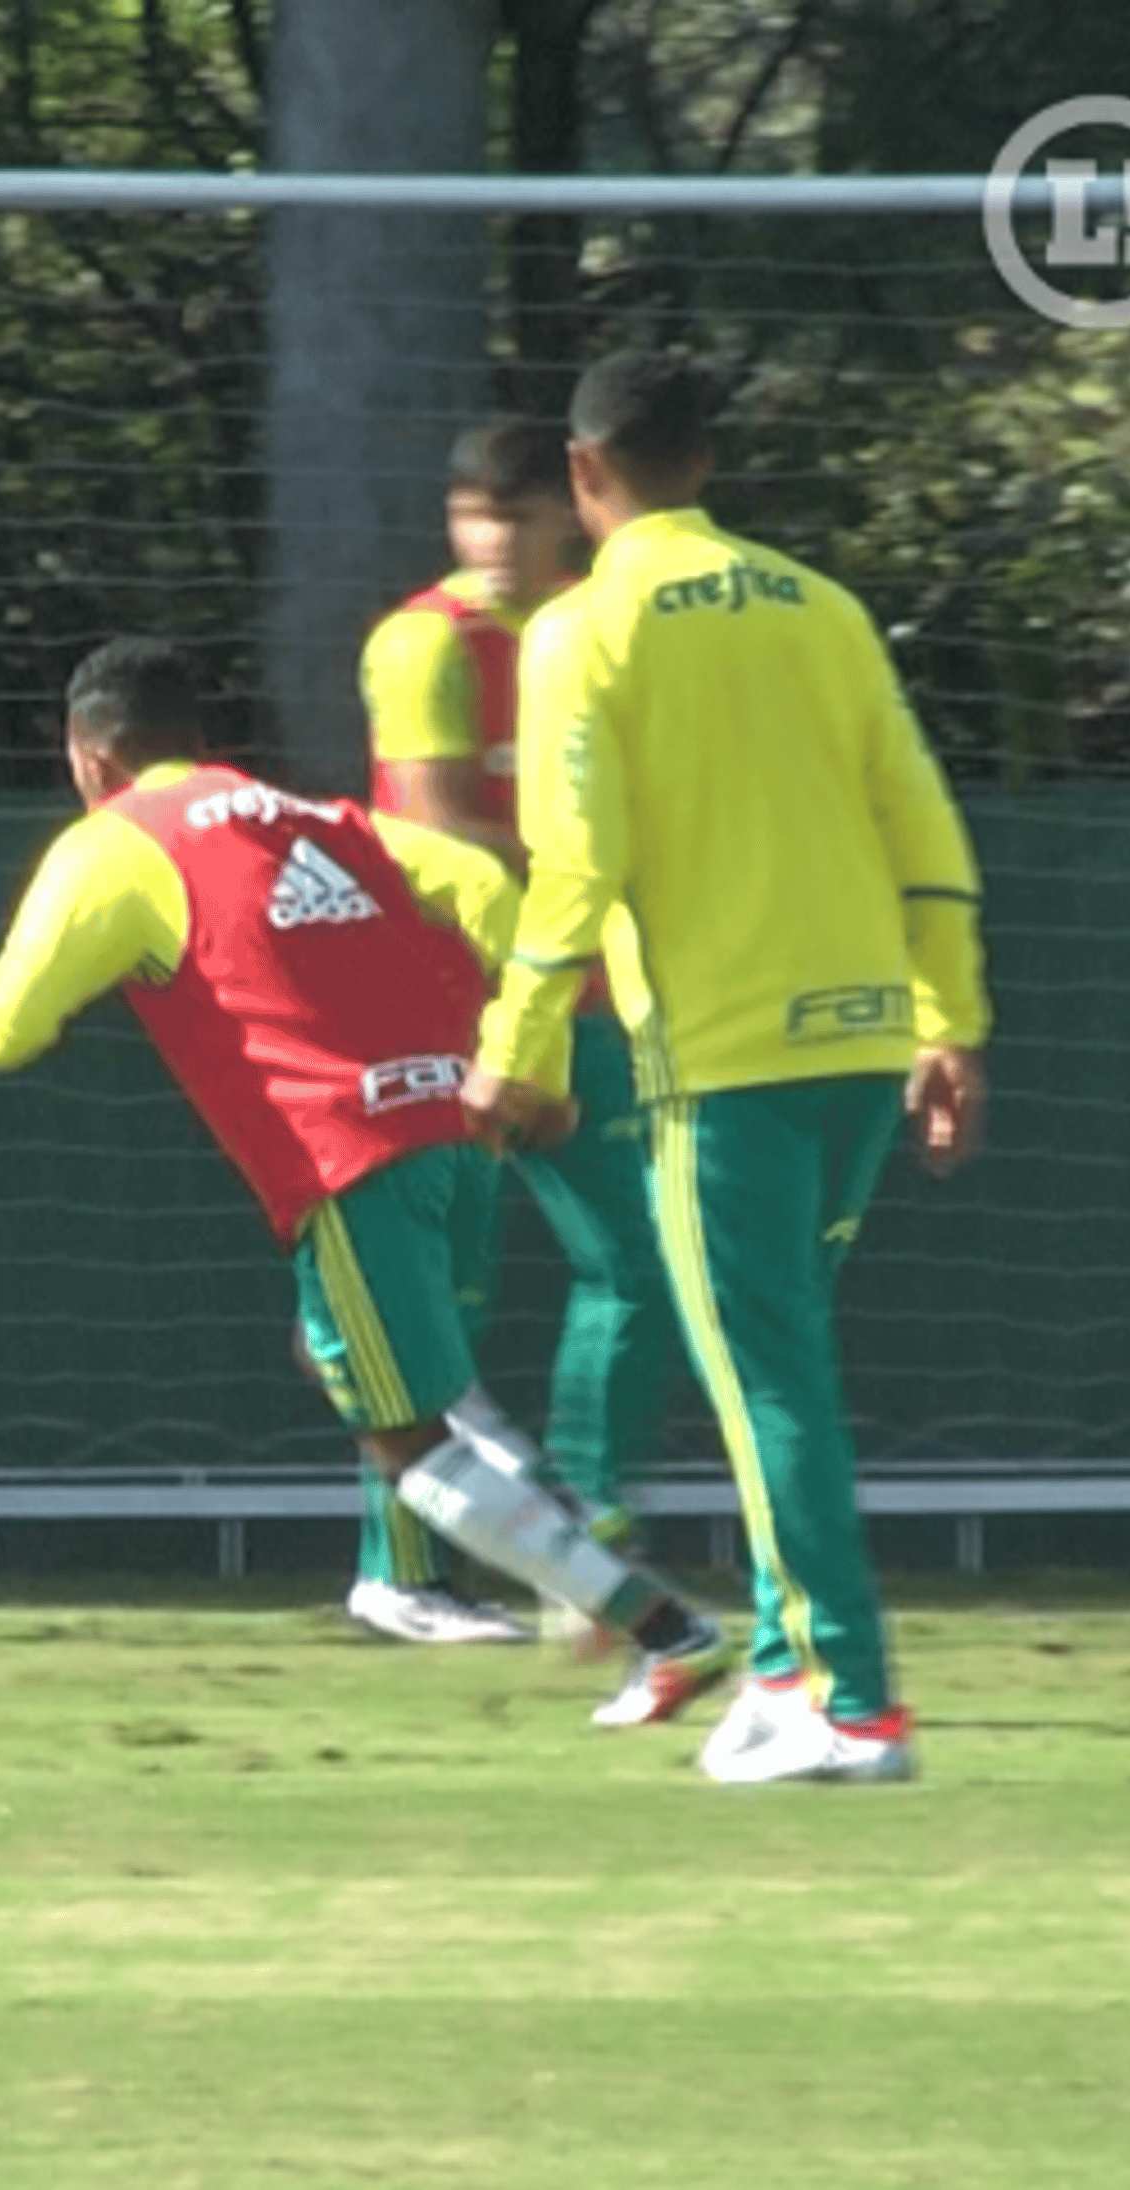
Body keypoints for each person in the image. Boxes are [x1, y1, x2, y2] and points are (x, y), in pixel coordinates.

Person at [0, 635, 736, 1730]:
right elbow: (483, 881)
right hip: (456, 1132)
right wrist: (533, 1065)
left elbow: (0, 1034)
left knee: (402, 1437)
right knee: (352, 1361)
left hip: (349, 1161)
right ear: (199, 739)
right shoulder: (312, 816)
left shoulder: (115, 846)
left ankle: (658, 1627)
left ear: (88, 755)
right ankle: (551, 1536)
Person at [464, 351, 992, 1787]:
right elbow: (922, 825)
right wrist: (951, 1019)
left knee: (772, 1384)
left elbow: (576, 864)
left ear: (585, 477)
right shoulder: (824, 609)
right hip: (864, 1040)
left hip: (721, 1064)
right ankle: (778, 1665)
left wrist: (514, 1048)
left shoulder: (585, 629)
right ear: (707, 462)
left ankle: (856, 1702)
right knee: (785, 1364)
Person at [356, 418, 696, 1637]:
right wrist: (606, 867)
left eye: (516, 514)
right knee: (432, 1294)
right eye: (472, 516)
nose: (493, 541)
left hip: (573, 1000)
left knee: (638, 1262)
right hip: (440, 1011)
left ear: (571, 512)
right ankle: (401, 1574)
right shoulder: (422, 644)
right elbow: (442, 827)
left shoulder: (595, 631)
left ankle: (594, 1545)